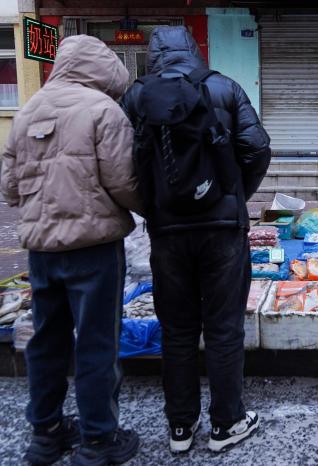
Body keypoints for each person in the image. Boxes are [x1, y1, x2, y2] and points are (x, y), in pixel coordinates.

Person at [121, 26, 271, 453]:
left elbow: (122, 163)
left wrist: (154, 206)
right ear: (195, 50)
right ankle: (227, 423)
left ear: (154, 55)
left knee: (177, 330)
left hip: (168, 234)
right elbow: (257, 148)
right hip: (222, 231)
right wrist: (233, 197)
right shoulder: (225, 87)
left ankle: (180, 428)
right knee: (224, 328)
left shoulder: (135, 97)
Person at [0, 35, 142, 465]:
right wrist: (152, 209)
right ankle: (98, 441)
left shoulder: (27, 111)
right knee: (96, 343)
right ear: (104, 71)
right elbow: (125, 183)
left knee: (46, 340)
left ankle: (45, 436)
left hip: (42, 249)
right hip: (93, 249)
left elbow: (9, 189)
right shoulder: (104, 110)